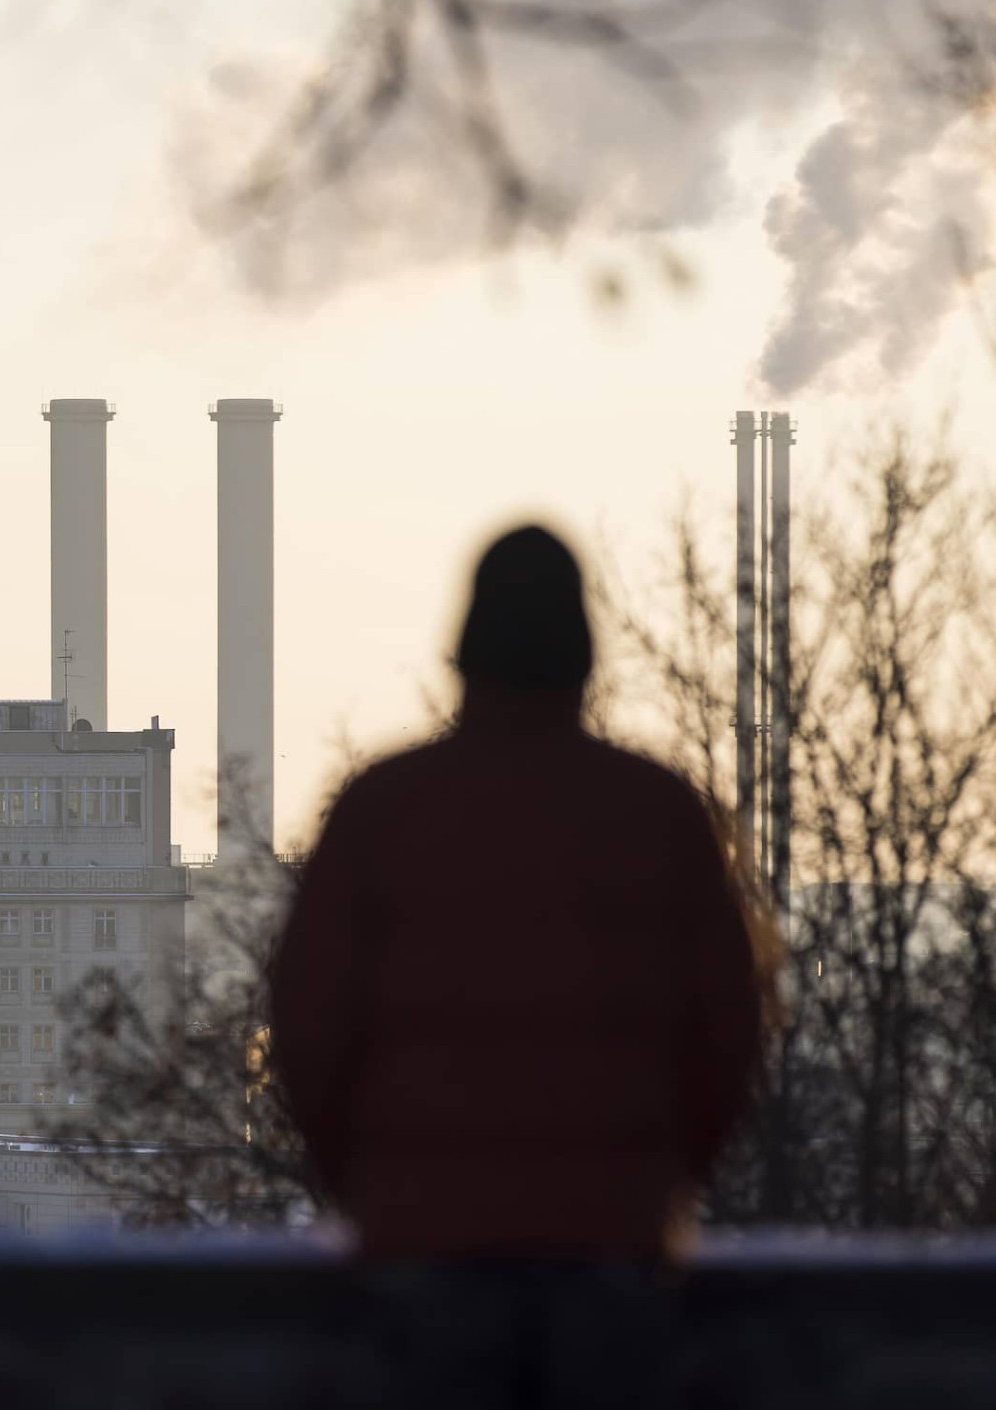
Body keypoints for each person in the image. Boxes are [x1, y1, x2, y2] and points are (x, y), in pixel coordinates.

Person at [267, 525, 767, 1407]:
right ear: (584, 655)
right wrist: (661, 1183)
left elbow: (307, 1026)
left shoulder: (382, 810)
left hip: (425, 1251)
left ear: (463, 653)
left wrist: (374, 1186)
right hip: (611, 1253)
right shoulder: (659, 814)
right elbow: (729, 1028)